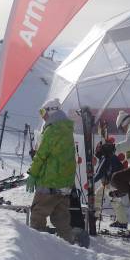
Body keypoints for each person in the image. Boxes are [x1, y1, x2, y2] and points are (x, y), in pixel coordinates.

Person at [27, 99, 87, 246]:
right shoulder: (67, 130)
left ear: (51, 111)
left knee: (37, 216)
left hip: (49, 183)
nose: (42, 116)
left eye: (43, 112)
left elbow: (41, 155)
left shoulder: (52, 130)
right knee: (61, 221)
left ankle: (37, 250)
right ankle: (70, 250)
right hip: (65, 186)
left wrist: (32, 174)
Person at [94, 137, 128, 229]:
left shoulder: (107, 157)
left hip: (111, 183)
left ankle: (122, 222)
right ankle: (95, 216)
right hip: (109, 183)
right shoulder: (108, 156)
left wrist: (91, 181)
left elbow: (100, 173)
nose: (97, 149)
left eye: (98, 148)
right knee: (98, 195)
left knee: (115, 201)